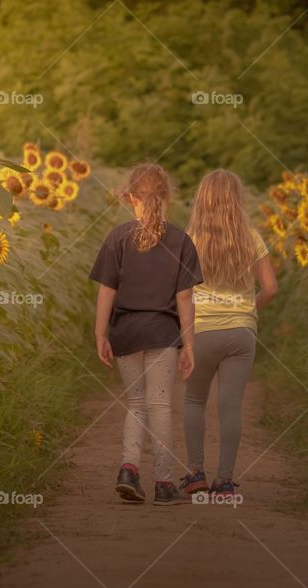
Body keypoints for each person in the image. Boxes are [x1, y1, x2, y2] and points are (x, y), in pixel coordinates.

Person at [89, 163, 203, 506]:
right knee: (160, 405)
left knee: (136, 404)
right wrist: (190, 345)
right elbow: (185, 299)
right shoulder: (181, 240)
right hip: (163, 334)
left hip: (125, 331)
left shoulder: (118, 237)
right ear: (167, 197)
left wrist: (100, 335)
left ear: (131, 197)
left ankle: (128, 470)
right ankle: (164, 483)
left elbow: (107, 291)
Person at [179, 169, 278, 497]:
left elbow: (178, 292)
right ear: (237, 199)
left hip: (202, 330)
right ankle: (224, 481)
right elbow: (271, 289)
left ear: (202, 200)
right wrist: (248, 310)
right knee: (230, 405)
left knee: (194, 400)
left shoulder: (190, 239)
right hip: (241, 333)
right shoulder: (251, 237)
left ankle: (196, 475)